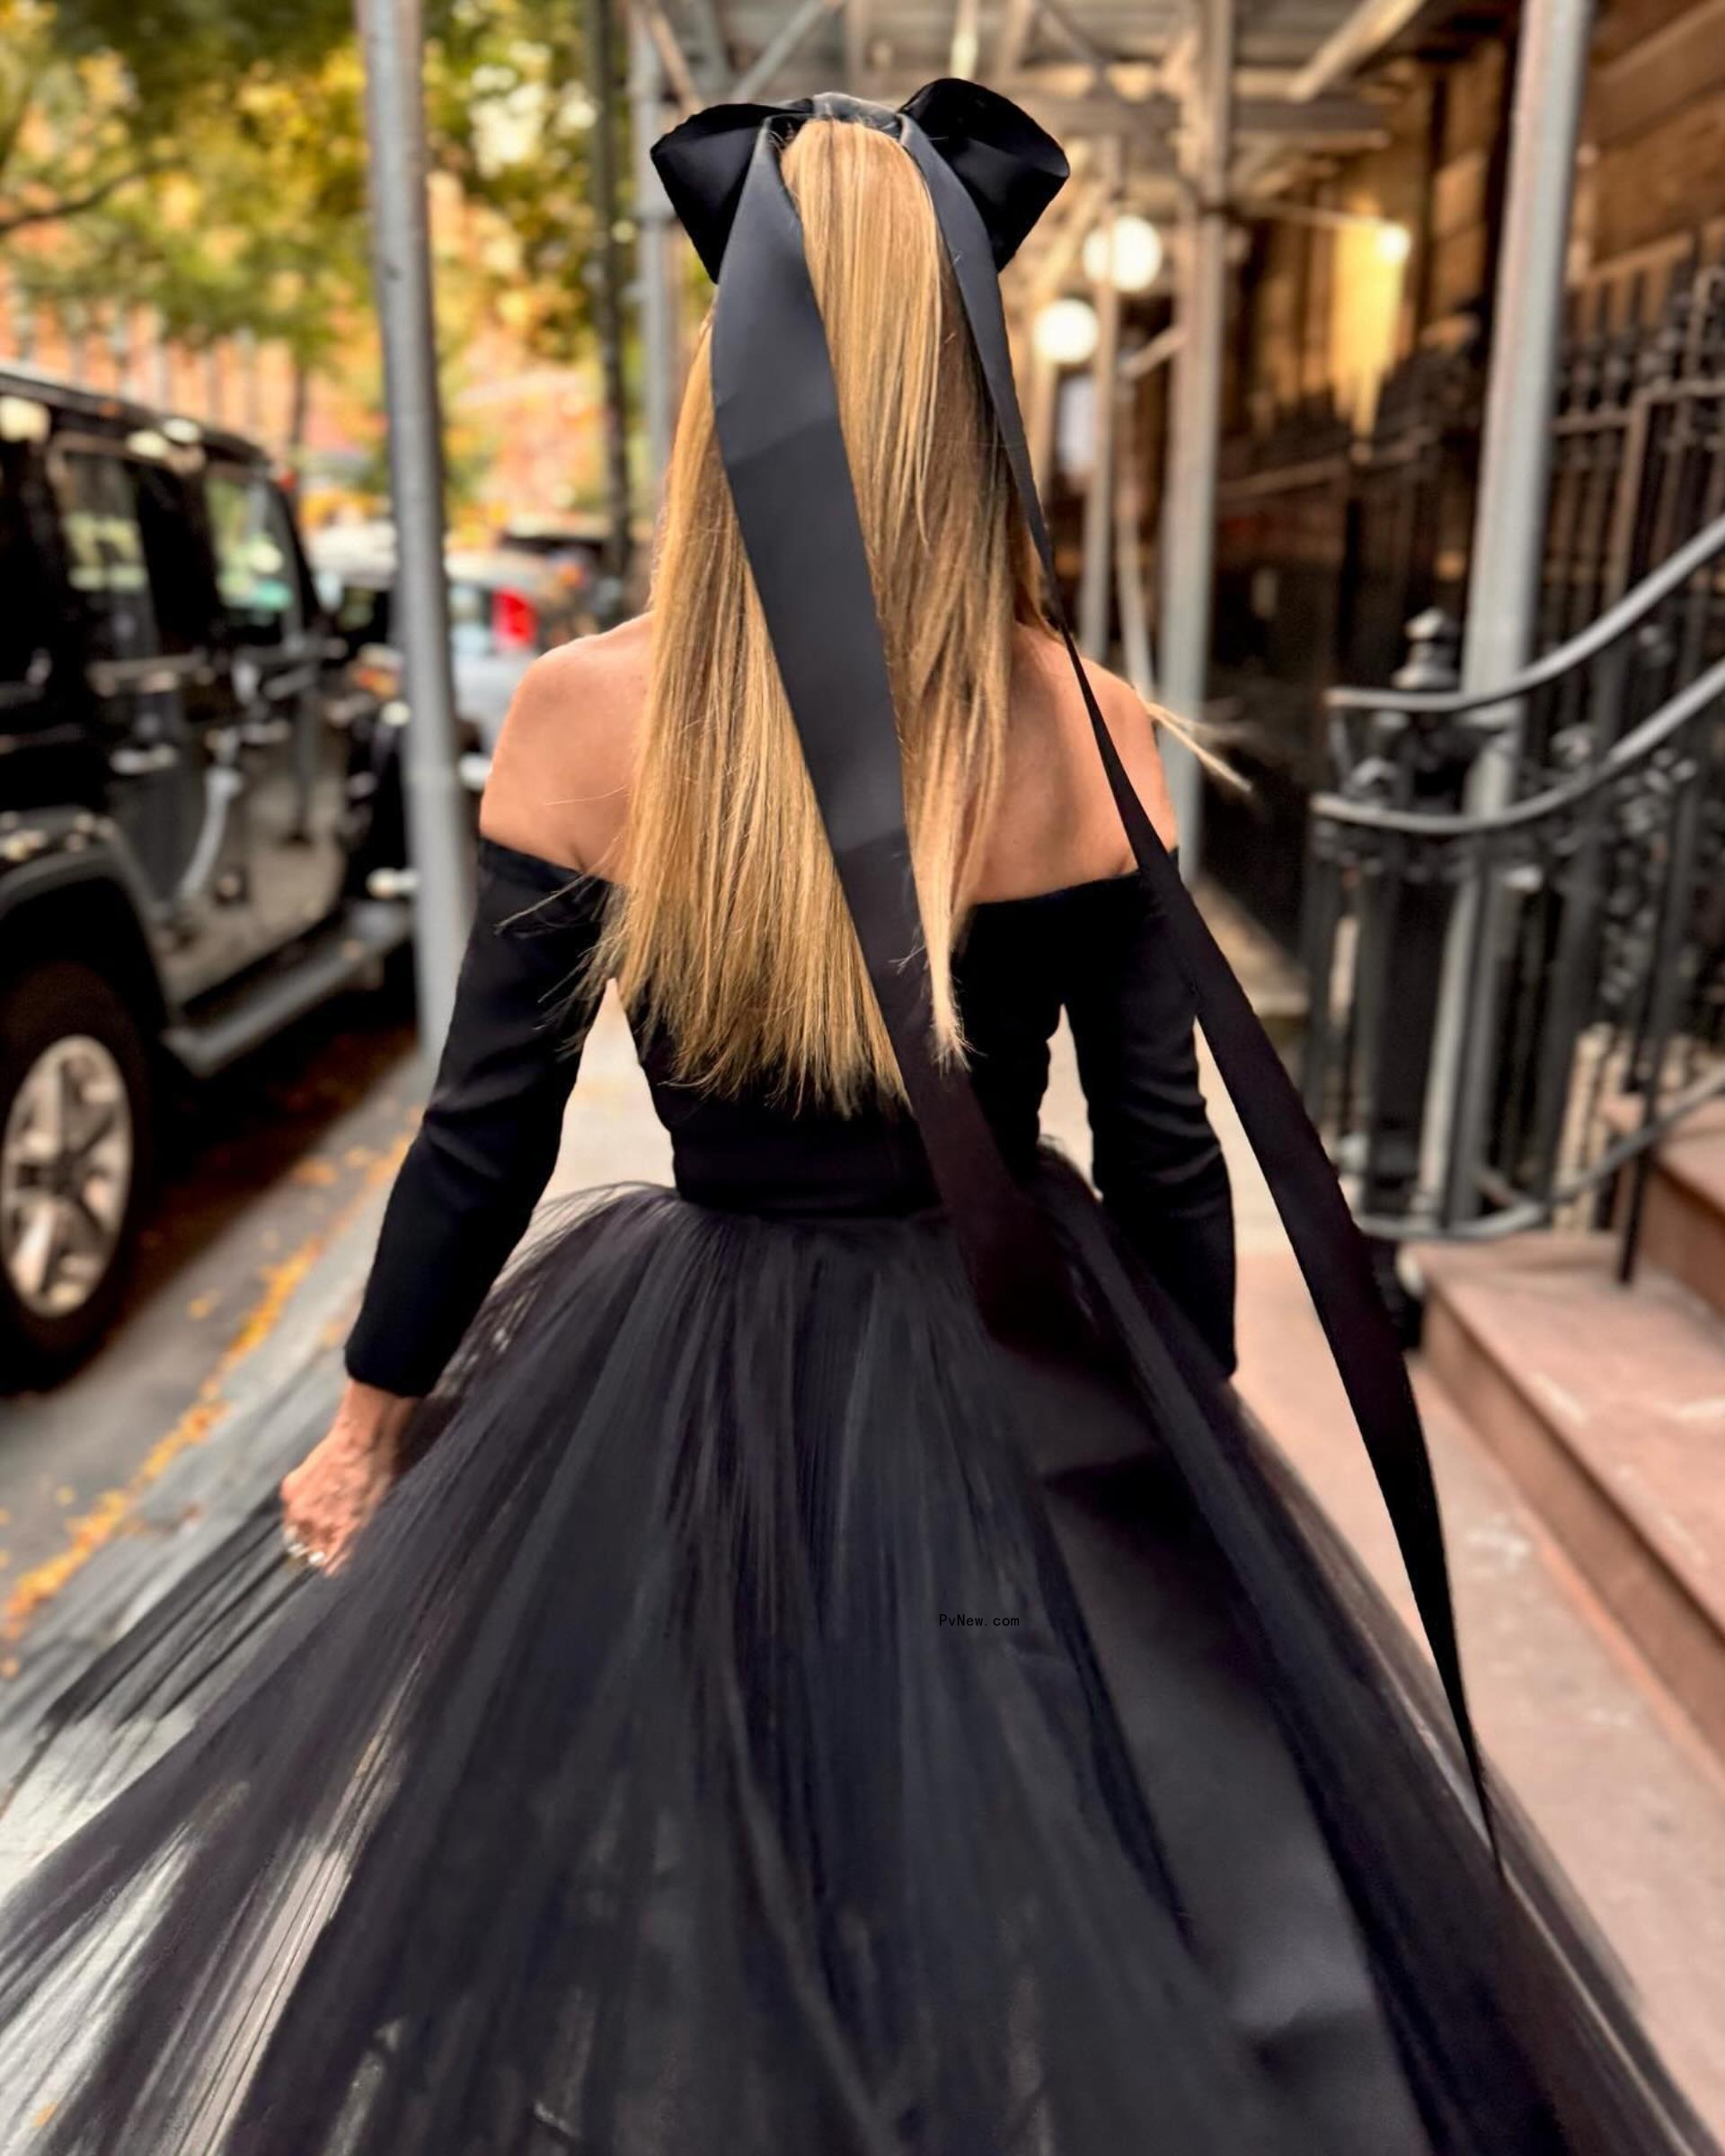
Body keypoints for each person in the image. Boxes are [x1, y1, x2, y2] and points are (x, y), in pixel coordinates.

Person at [0, 83, 1709, 2156]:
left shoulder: (587, 716)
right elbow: (1164, 1154)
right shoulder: (1078, 732)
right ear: (962, 389)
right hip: (1004, 1378)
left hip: (673, 1385)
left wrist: (370, 1422)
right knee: (994, 1881)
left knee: (676, 1871)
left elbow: (489, 1126)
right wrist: (1188, 1470)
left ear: (738, 385)